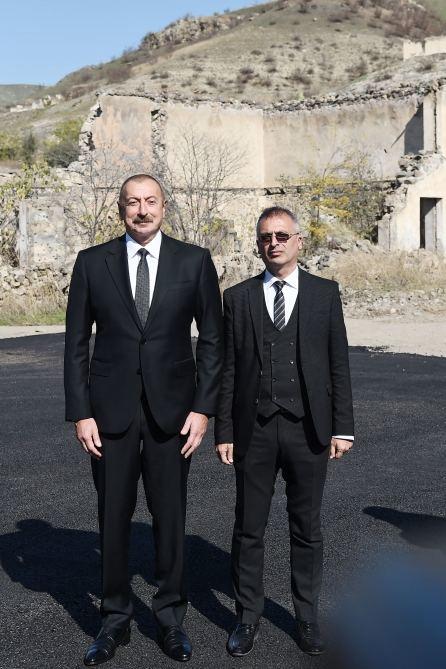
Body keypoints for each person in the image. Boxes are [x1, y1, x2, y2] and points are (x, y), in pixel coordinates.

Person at [64, 174, 223, 666]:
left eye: (150, 201)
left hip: (173, 413)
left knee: (170, 516)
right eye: (132, 202)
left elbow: (212, 341)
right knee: (112, 516)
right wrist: (81, 412)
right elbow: (75, 344)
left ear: (164, 207)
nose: (141, 210)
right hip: (108, 413)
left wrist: (203, 409)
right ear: (120, 209)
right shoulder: (92, 262)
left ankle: (171, 618)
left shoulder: (194, 261)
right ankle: (114, 618)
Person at [215, 206, 354, 657]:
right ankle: (247, 617)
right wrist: (224, 430)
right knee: (248, 527)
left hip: (308, 429)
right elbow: (229, 370)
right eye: (265, 237)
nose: (272, 243)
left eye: (280, 235)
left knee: (306, 527)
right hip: (253, 429)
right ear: (258, 244)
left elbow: (338, 363)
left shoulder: (324, 293)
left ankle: (307, 617)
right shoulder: (237, 297)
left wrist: (343, 428)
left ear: (298, 241)